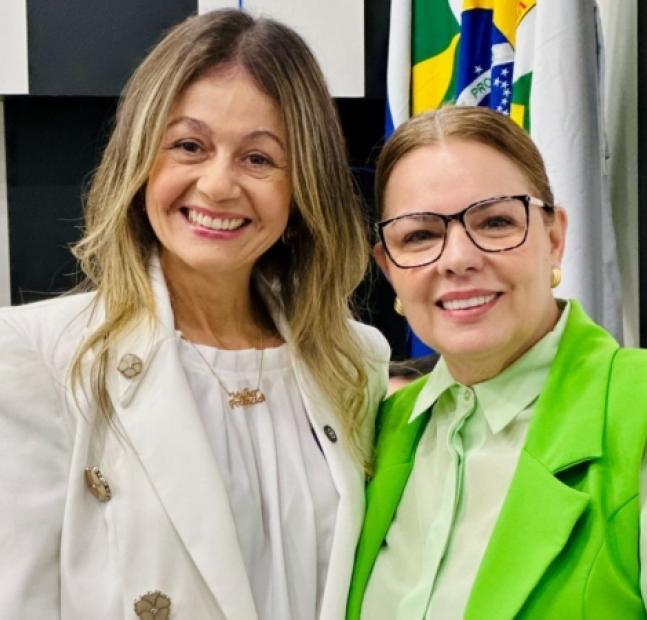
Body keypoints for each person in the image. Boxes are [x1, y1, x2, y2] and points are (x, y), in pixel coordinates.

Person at [0, 9, 389, 620]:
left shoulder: (356, 360)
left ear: (303, 186)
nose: (217, 185)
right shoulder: (38, 356)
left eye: (259, 158)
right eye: (189, 146)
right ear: (138, 160)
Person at [347, 106, 647, 619]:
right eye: (419, 235)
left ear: (555, 239)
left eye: (495, 222)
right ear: (388, 267)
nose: (458, 259)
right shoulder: (382, 434)